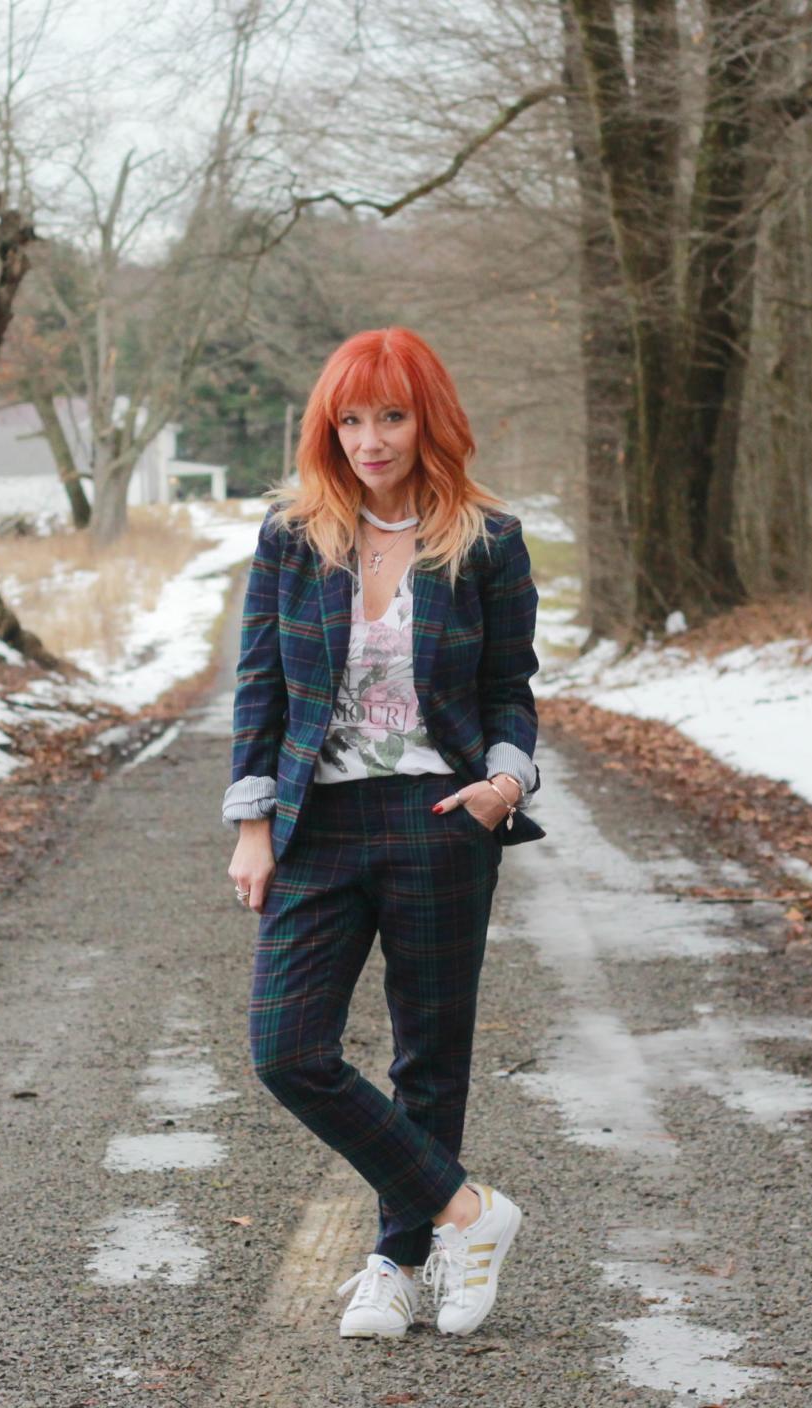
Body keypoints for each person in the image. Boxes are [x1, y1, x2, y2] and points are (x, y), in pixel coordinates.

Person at [222, 326, 545, 1340]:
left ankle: (398, 1264)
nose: (370, 437)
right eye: (351, 418)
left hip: (442, 816)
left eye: (392, 416)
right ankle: (465, 1213)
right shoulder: (292, 535)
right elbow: (259, 691)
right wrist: (253, 825)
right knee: (287, 1049)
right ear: (329, 425)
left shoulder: (487, 541)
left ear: (428, 420)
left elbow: (511, 693)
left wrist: (504, 781)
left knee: (430, 1057)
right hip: (318, 821)